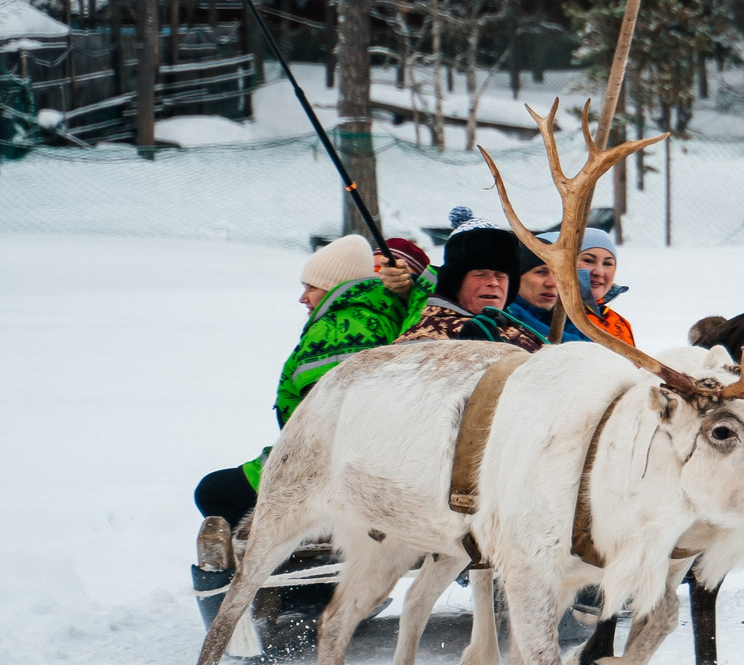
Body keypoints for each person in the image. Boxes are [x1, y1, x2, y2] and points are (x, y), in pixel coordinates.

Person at [190, 232, 435, 569]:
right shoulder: (374, 316)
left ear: (335, 287)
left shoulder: (341, 327)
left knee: (214, 492)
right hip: (362, 468)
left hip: (332, 474)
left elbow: (330, 422)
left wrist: (291, 475)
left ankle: (305, 583)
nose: (302, 298)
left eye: (311, 287)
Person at [395, 207, 540, 350]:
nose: (493, 283)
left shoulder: (523, 330)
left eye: (500, 275)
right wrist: (476, 354)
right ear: (455, 281)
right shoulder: (426, 336)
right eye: (480, 274)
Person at [498, 226, 635, 346]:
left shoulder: (619, 323)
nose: (552, 283)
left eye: (559, 275)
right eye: (540, 272)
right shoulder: (501, 319)